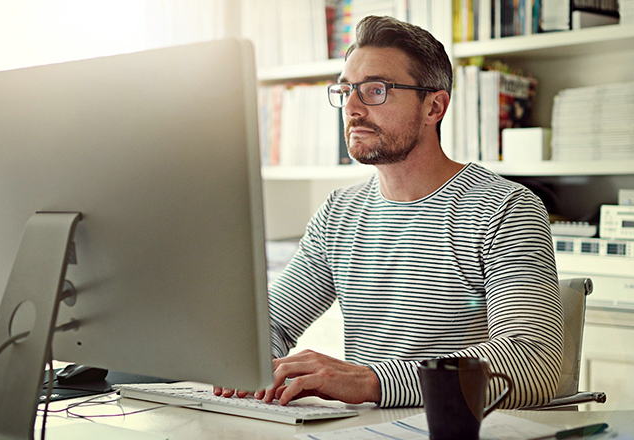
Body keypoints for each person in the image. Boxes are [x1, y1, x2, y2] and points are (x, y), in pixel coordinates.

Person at [216, 15, 563, 408]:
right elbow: (272, 323)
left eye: (375, 90)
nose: (352, 108)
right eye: (346, 90)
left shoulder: (505, 209)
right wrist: (254, 364)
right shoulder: (338, 212)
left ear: (434, 107)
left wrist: (372, 382)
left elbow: (535, 363)